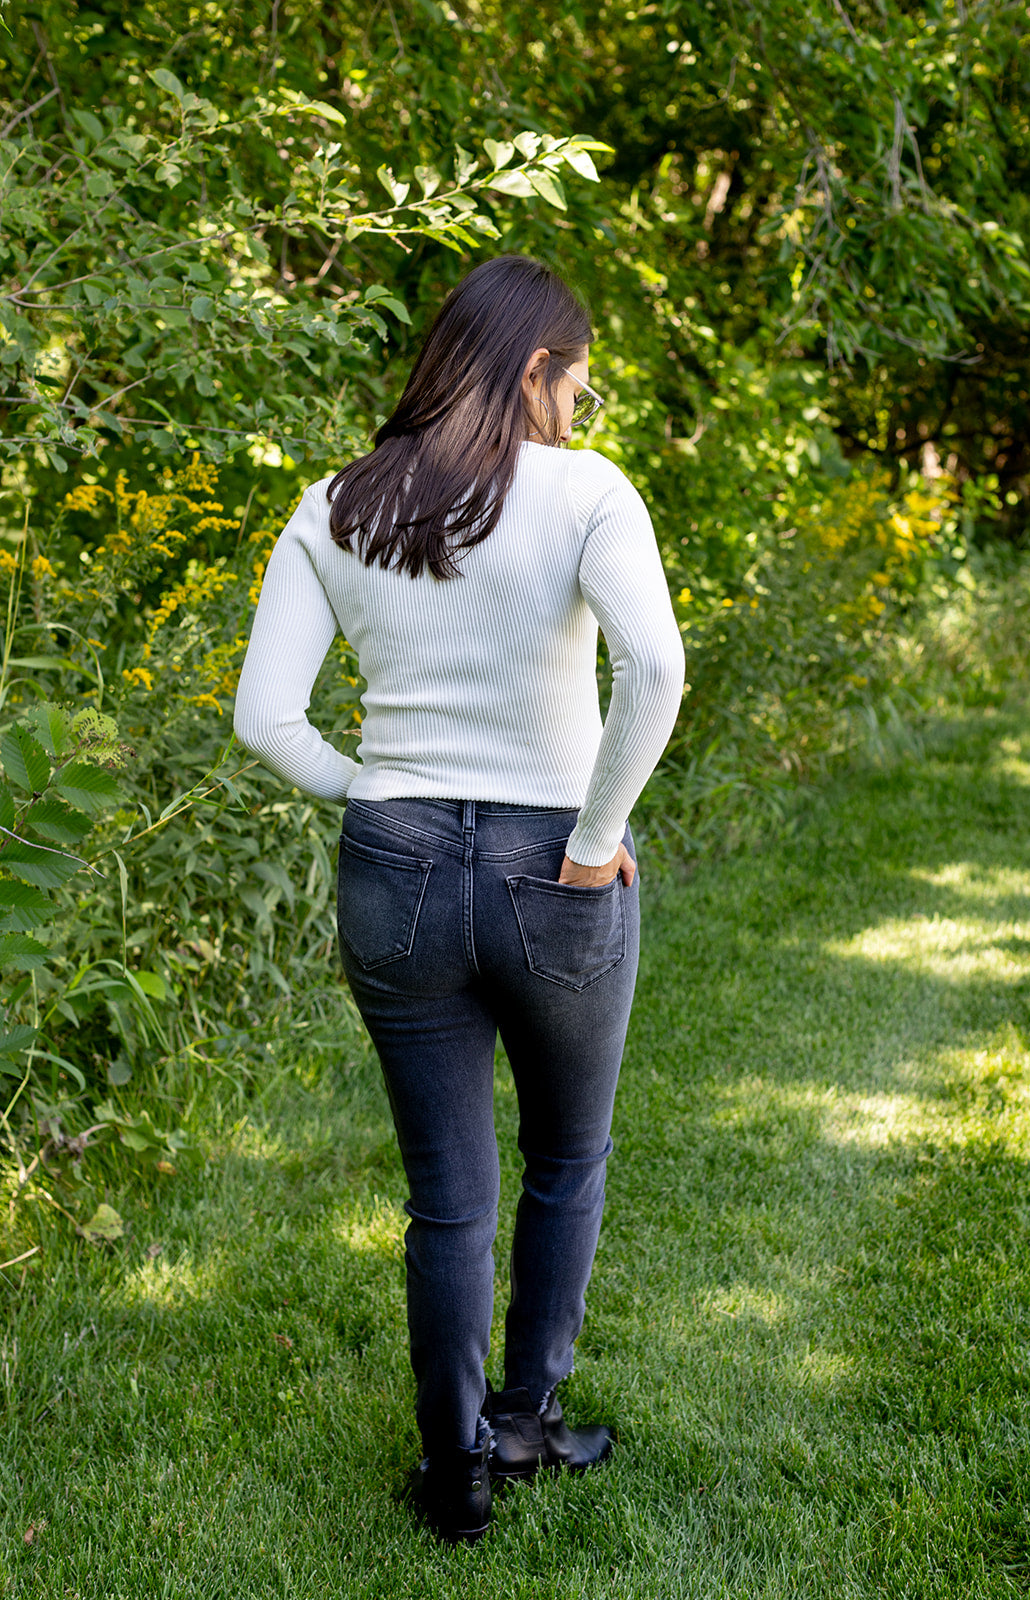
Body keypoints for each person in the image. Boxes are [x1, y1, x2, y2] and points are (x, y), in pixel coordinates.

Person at [233, 254, 685, 1542]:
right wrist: (596, 843)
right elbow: (653, 669)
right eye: (575, 389)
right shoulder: (588, 494)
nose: (574, 416)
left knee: (448, 1191)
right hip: (557, 868)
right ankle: (527, 1420)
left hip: (398, 862)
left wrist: (377, 788)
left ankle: (454, 1467)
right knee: (568, 1155)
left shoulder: (337, 504)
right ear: (535, 366)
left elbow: (266, 722)